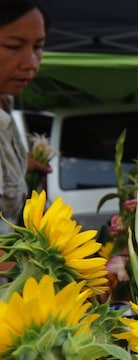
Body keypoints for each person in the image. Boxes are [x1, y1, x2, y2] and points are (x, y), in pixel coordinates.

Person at [0, 0, 48, 235]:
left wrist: (21, 165)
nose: (31, 64)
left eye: (38, 47)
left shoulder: (6, 106)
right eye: (13, 46)